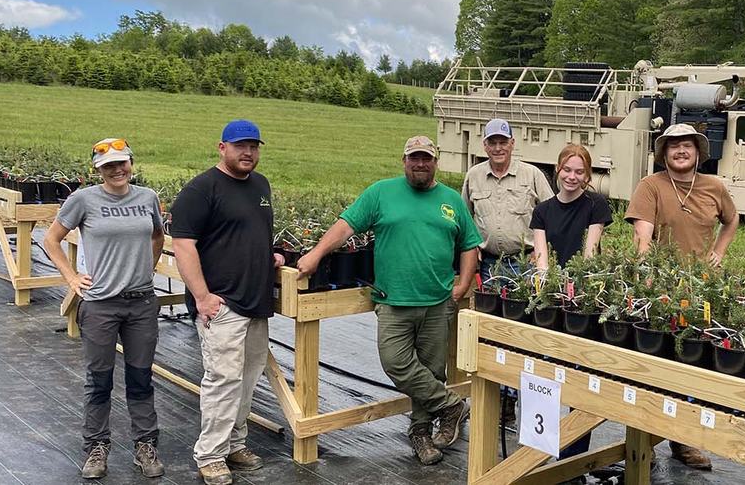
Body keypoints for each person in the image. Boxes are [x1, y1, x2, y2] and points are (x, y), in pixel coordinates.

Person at [296, 136, 480, 466]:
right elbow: (346, 226)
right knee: (395, 362)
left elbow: (469, 244)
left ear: (435, 162)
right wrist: (316, 253)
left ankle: (421, 434)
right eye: (414, 158)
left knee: (431, 371)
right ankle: (451, 405)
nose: (420, 164)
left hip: (437, 301)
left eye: (426, 158)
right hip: (394, 300)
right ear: (404, 160)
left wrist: (464, 283)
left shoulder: (451, 200)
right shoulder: (381, 193)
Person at [44, 138, 166, 480]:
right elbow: (51, 239)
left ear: (131, 163)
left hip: (141, 302)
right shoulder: (82, 200)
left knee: (141, 377)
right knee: (99, 380)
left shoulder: (148, 198)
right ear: (97, 169)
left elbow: (158, 236)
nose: (116, 170)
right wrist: (71, 277)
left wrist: (148, 267)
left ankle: (145, 445)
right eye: (108, 165)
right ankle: (96, 448)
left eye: (122, 162)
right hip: (100, 305)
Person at [170, 120, 284, 485]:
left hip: (256, 303)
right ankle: (211, 455)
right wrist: (202, 296)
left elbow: (249, 233)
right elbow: (183, 246)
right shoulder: (201, 190)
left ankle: (235, 444)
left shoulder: (260, 185)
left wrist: (272, 256)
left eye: (253, 146)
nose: (248, 153)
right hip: (223, 305)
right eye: (240, 146)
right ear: (222, 148)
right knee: (222, 380)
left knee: (248, 380)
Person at [624, 123, 739, 471]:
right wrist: (645, 275)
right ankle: (642, 440)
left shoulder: (714, 187)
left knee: (692, 365)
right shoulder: (651, 186)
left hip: (701, 290)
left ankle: (683, 440)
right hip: (660, 290)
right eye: (673, 147)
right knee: (654, 365)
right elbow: (642, 235)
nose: (680, 151)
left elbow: (732, 221)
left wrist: (719, 251)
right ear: (664, 153)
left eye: (687, 145)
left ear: (698, 152)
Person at [529, 144, 612, 466]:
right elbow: (541, 258)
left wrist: (576, 290)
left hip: (584, 297)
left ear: (587, 175)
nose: (572, 177)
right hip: (554, 296)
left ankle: (572, 456)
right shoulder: (543, 211)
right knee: (548, 372)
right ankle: (541, 446)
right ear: (557, 171)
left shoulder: (596, 205)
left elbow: (589, 253)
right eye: (567, 170)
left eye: (579, 172)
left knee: (580, 375)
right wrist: (549, 289)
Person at [462, 118, 553, 280]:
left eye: (503, 142)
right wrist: (473, 246)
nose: (498, 148)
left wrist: (541, 250)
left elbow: (553, 215)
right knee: (488, 306)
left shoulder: (532, 174)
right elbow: (464, 219)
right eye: (492, 143)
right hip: (488, 265)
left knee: (527, 305)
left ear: (512, 143)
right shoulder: (474, 176)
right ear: (485, 145)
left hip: (525, 263)